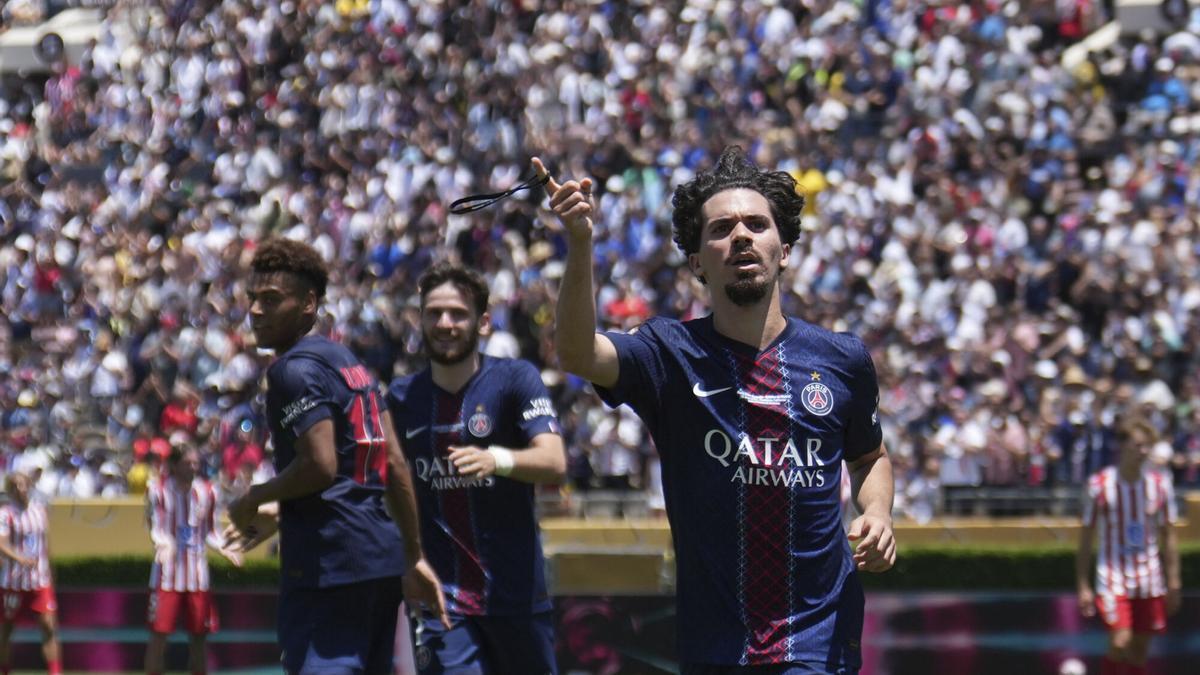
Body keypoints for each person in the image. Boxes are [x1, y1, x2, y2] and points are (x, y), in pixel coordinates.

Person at [537, 147, 896, 674]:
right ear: (696, 260)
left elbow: (869, 457)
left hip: (820, 638)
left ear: (786, 247)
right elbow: (576, 353)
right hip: (717, 646)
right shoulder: (668, 355)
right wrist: (580, 241)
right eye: (722, 229)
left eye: (756, 224)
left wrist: (879, 514)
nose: (742, 236)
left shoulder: (841, 360)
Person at [224, 237, 448, 674]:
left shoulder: (291, 371)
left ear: (309, 303)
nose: (256, 311)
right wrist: (412, 554)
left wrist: (254, 497)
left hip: (330, 566)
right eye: (253, 298)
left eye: (271, 300)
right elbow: (395, 463)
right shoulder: (349, 363)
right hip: (379, 562)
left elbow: (320, 465)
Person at [387, 262, 567, 674]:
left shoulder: (514, 379)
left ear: (483, 322)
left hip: (517, 598)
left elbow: (554, 461)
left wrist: (497, 460)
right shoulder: (401, 397)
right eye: (434, 313)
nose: (444, 323)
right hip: (443, 602)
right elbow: (389, 485)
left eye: (457, 313)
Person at [1076, 417, 1181, 675]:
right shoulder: (1100, 485)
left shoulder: (1159, 484)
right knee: (1120, 640)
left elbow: (1169, 534)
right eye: (1137, 445)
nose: (1143, 451)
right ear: (1122, 446)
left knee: (1139, 651)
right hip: (1113, 577)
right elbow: (1087, 536)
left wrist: (1175, 581)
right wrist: (1083, 584)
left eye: (1147, 446)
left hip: (1149, 578)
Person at [145, 445, 242, 675]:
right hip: (166, 576)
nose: (194, 467)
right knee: (159, 637)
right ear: (175, 465)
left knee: (199, 637)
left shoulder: (207, 492)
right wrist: (163, 542)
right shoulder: (158, 490)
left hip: (198, 578)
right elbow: (155, 527)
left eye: (196, 463)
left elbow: (211, 531)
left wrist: (225, 547)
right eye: (188, 463)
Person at [0, 470, 60, 675]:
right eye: (16, 486)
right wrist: (20, 558)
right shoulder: (5, 514)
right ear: (10, 490)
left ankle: (55, 672)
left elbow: (46, 545)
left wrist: (51, 572)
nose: (21, 489)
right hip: (13, 582)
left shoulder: (39, 511)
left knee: (49, 626)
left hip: (39, 580)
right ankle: (5, 669)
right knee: (6, 629)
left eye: (23, 484)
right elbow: (2, 543)